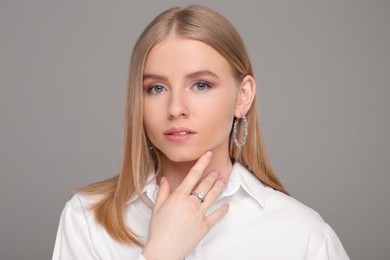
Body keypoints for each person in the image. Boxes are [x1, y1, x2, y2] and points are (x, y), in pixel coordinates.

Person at [53, 5, 349, 260]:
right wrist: (160, 253)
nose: (176, 108)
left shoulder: (303, 235)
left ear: (243, 96)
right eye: (156, 88)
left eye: (201, 85)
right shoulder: (88, 220)